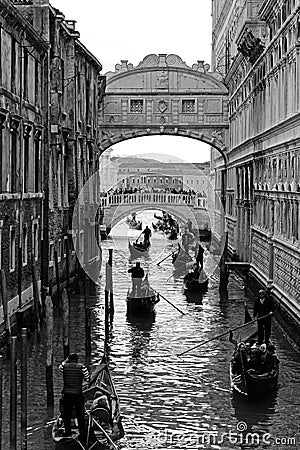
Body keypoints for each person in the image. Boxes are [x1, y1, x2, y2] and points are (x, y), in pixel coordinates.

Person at [59, 353, 90, 437]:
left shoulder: (64, 367)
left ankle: (67, 433)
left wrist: (66, 360)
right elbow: (88, 379)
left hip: (67, 395)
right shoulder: (82, 367)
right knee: (80, 414)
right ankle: (82, 433)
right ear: (77, 360)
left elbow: (60, 366)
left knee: (67, 414)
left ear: (69, 359)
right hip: (78, 394)